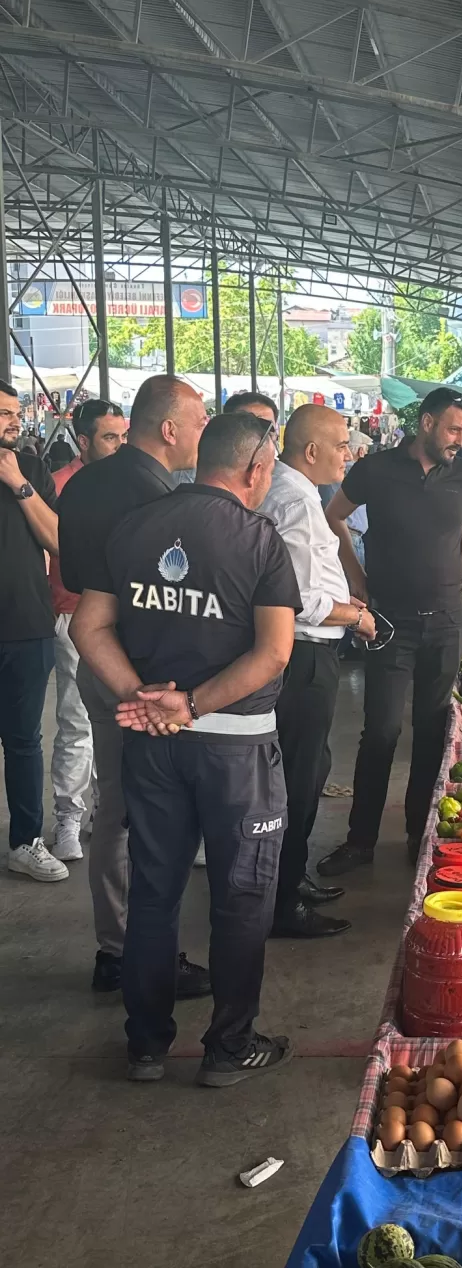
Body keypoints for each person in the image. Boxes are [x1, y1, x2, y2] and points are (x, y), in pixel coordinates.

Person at [71, 412, 300, 1085]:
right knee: (240, 895)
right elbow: (274, 654)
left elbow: (90, 624)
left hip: (153, 748)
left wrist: (141, 696)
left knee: (154, 890)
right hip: (236, 753)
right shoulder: (258, 539)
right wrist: (193, 704)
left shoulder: (137, 525)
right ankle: (229, 1046)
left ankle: (145, 1042)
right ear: (256, 469)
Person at [59, 375, 211, 996]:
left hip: (97, 660)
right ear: (169, 429)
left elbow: (72, 573)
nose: (203, 434)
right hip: (142, 673)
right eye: (199, 422)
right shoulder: (159, 498)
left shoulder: (83, 482)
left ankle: (116, 947)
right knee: (146, 815)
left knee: (118, 805)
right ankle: (136, 954)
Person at [317, 387, 462, 875]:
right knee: (382, 732)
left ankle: (420, 834)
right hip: (390, 622)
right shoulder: (377, 469)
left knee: (433, 732)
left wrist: (445, 547)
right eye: (454, 429)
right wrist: (355, 575)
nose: (461, 439)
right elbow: (334, 516)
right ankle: (360, 840)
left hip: (447, 621)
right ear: (428, 423)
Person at [260, 406, 376, 938]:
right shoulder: (297, 501)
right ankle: (284, 903)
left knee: (308, 768)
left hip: (307, 650)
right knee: (299, 781)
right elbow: (298, 598)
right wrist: (355, 615)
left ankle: (292, 876)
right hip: (305, 654)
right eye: (341, 445)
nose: (348, 454)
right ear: (311, 451)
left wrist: (339, 597)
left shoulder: (297, 491)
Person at [47, 399, 127, 863]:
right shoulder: (60, 485)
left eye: (122, 436)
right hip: (72, 615)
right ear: (84, 441)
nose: (118, 445)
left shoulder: (131, 482)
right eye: (109, 437)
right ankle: (68, 819)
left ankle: (107, 811)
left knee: (118, 722)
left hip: (120, 617)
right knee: (77, 723)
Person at [0, 379, 64, 882]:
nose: (14, 421)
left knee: (24, 740)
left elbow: (57, 540)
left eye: (14, 413)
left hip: (26, 625)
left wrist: (18, 483)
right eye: (3, 413)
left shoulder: (32, 468)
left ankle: (26, 840)